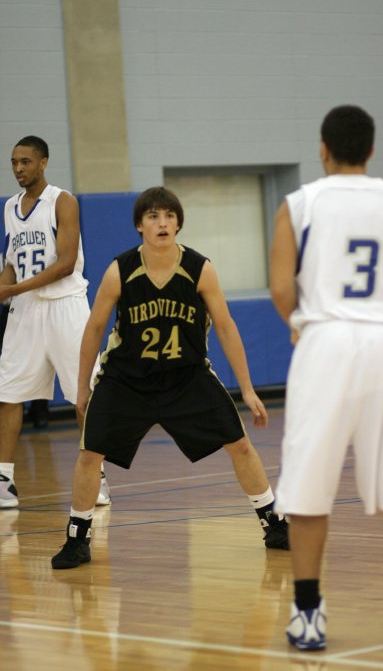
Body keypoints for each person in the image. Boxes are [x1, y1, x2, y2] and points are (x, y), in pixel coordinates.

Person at [270, 105, 383, 651]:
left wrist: (304, 324)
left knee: (307, 487)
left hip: (326, 343)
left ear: (323, 149)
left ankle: (308, 617)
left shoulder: (298, 205)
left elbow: (280, 287)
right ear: (372, 151)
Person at [51, 186, 288, 569]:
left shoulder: (199, 268)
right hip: (126, 379)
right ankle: (77, 539)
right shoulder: (121, 270)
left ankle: (274, 525)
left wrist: (247, 388)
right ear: (139, 226)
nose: (162, 223)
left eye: (169, 216)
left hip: (186, 376)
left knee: (240, 444)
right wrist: (82, 387)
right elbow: (94, 329)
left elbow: (226, 327)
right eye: (153, 217)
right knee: (89, 452)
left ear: (178, 223)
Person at [0, 136, 110, 508]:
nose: (18, 168)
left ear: (43, 162)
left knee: (83, 396)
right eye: (14, 162)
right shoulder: (10, 207)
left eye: (25, 161)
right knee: (8, 394)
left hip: (66, 306)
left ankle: (97, 478)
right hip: (25, 311)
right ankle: (4, 482)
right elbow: (11, 264)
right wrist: (4, 287)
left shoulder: (63, 201)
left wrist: (12, 290)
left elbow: (65, 264)